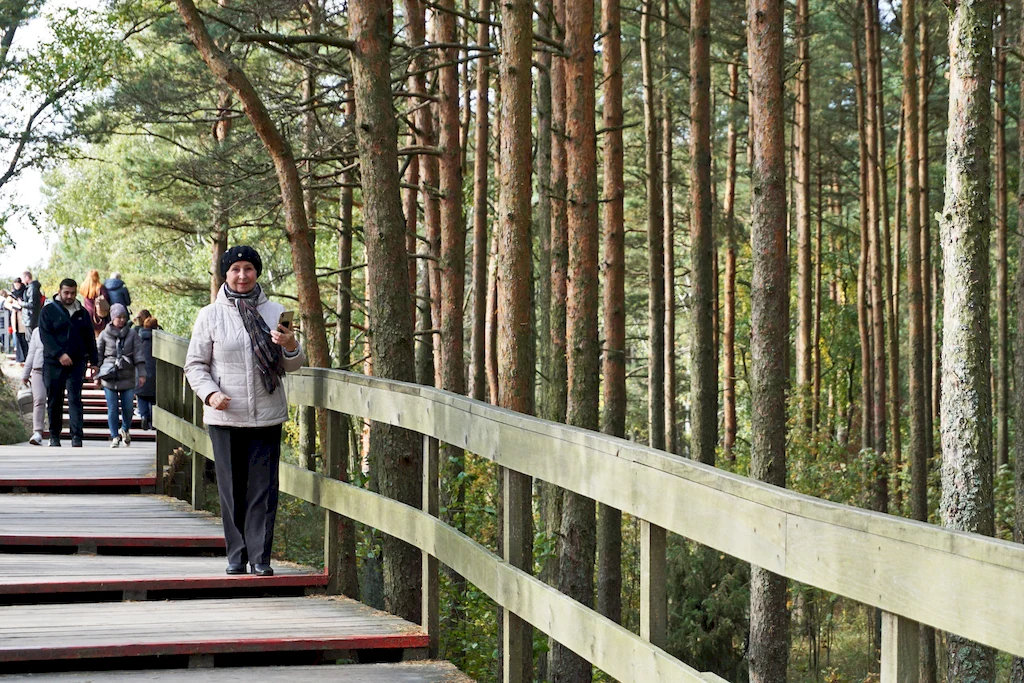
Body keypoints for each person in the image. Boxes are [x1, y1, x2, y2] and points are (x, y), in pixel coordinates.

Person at [184, 246, 305, 576]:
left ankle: (261, 559)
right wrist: (210, 395)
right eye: (235, 269)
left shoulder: (276, 312)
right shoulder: (210, 315)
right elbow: (194, 365)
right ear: (225, 273)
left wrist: (291, 346)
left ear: (257, 272)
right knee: (232, 488)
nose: (241, 275)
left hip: (267, 412)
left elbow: (292, 365)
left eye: (248, 269)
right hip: (226, 414)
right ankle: (236, 555)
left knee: (263, 490)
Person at [38, 278, 98, 448]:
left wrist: (94, 361)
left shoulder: (82, 313)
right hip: (53, 363)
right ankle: (54, 436)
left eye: (72, 293)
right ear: (59, 291)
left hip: (77, 362)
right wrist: (59, 354)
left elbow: (89, 338)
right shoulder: (48, 311)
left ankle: (76, 437)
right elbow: (45, 336)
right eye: (66, 292)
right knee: (55, 400)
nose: (69, 296)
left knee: (75, 398)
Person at [97, 304, 146, 448]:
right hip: (109, 375)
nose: (122, 320)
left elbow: (139, 354)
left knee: (128, 407)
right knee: (112, 407)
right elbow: (98, 355)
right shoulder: (104, 334)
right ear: (112, 317)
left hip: (127, 374)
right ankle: (114, 436)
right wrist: (96, 374)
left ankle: (125, 429)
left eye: (124, 317)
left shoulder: (132, 334)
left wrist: (142, 374)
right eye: (119, 317)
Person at [21, 327, 45, 445]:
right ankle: (37, 432)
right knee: (39, 400)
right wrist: (25, 373)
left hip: (56, 369)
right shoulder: (37, 331)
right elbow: (31, 353)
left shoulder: (63, 327)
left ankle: (54, 433)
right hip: (38, 369)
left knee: (55, 402)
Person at [135, 316, 159, 431]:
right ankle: (153, 420)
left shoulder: (138, 338)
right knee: (154, 398)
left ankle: (144, 416)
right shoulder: (160, 340)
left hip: (141, 371)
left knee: (141, 396)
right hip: (155, 373)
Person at [80, 269, 109, 336]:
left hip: (88, 314)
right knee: (103, 335)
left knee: (93, 336)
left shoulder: (83, 287)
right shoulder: (100, 287)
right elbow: (106, 298)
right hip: (100, 315)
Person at [21, 271, 42, 337]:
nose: (22, 281)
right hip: (31, 317)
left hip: (30, 318)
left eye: (23, 279)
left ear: (27, 278)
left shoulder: (32, 288)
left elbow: (32, 304)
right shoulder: (32, 288)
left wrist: (21, 303)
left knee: (30, 339)